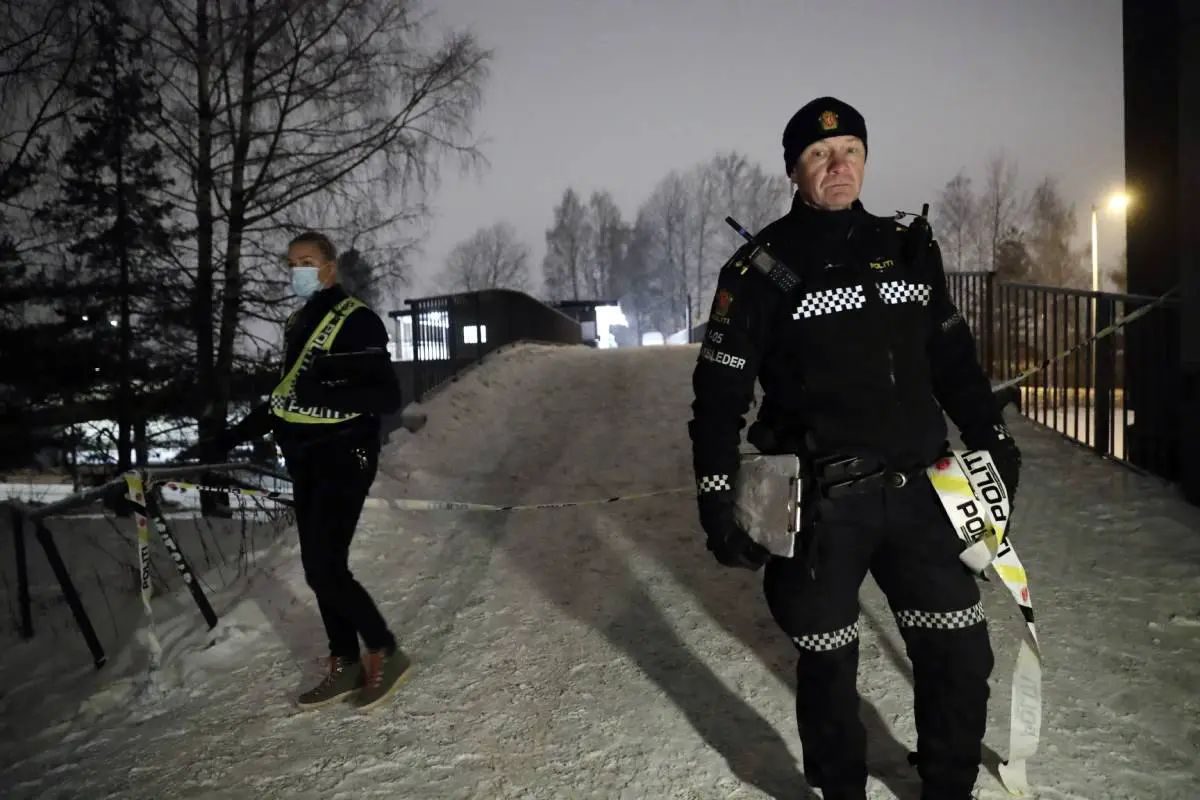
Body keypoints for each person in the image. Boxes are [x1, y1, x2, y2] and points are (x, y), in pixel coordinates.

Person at [688, 97, 1021, 800]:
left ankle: (948, 787)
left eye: (851, 153)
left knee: (960, 651)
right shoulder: (760, 268)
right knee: (828, 667)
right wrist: (718, 503)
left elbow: (953, 360)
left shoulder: (908, 245)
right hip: (822, 506)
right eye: (819, 155)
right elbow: (719, 399)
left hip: (925, 491)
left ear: (865, 159)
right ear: (794, 169)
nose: (838, 166)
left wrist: (991, 440)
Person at [184, 230, 410, 712]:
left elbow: (386, 398)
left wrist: (324, 394)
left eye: (306, 262)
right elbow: (286, 399)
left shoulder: (358, 321)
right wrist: (227, 437)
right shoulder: (298, 322)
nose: (297, 272)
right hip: (306, 458)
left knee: (327, 568)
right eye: (291, 264)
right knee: (317, 568)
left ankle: (385, 650)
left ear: (330, 267)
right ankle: (346, 660)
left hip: (346, 455)